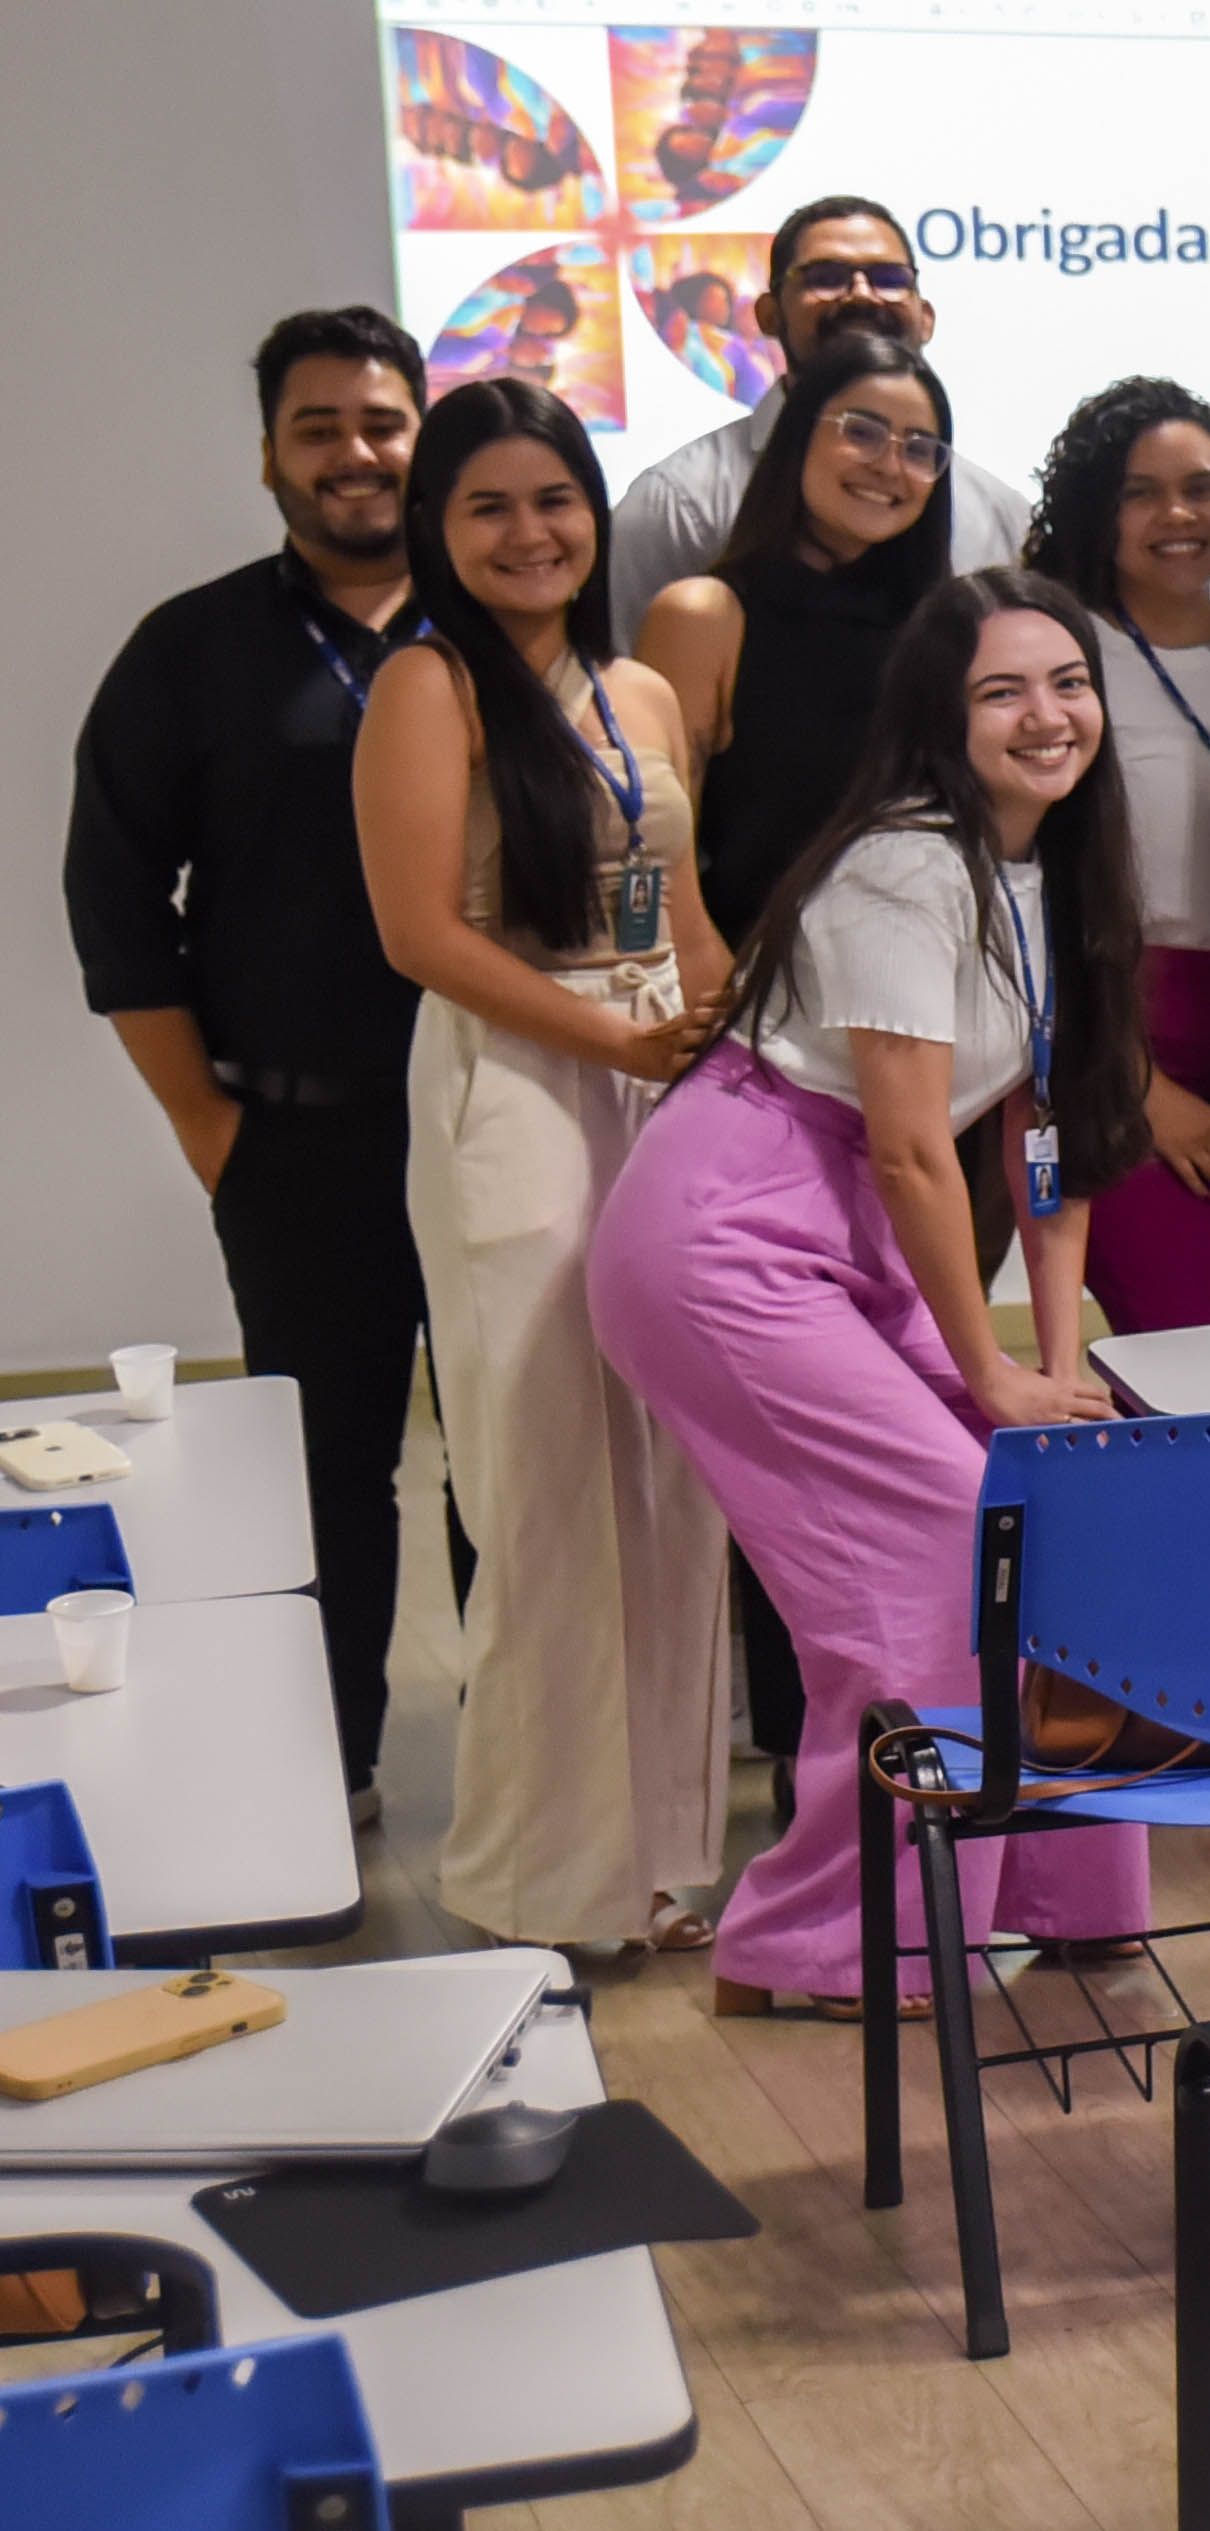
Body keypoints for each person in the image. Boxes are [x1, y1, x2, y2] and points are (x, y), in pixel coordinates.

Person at [591, 571, 1153, 2016]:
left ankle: (1046, 1887)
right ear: (940, 715)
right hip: (734, 1228)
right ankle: (824, 1944)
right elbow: (910, 1144)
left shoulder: (1054, 867)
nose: (1047, 715)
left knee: (1039, 1508)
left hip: (846, 1229)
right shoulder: (909, 861)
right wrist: (989, 1370)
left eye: (1067, 682)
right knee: (937, 1551)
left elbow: (1039, 1130)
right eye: (1002, 690)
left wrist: (1053, 1336)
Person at [348, 379, 730, 1952]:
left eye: (554, 497)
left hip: (656, 1080)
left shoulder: (639, 689)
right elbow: (419, 934)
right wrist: (607, 1036)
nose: (530, 532)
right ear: (440, 529)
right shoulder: (424, 686)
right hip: (515, 1090)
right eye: (488, 505)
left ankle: (655, 1860)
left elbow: (687, 907)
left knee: (671, 1483)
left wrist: (721, 1036)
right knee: (549, 1486)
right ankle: (534, 1878)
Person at [63, 308, 440, 1812]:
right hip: (301, 1143)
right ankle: (327, 1768)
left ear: (424, 430)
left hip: (507, 1127)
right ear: (271, 454)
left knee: (523, 1469)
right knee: (328, 1467)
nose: (355, 452)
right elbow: (112, 900)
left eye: (381, 420)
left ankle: (558, 1789)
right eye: (318, 426)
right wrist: (203, 1122)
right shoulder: (194, 647)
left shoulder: (500, 627)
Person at [1020, 377, 1210, 1336]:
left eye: (1202, 487)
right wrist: (1136, 1082)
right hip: (1123, 1035)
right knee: (1187, 1349)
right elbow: (1028, 896)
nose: (1177, 515)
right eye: (1140, 491)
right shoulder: (1060, 665)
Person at [634, 327, 961, 951]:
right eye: (861, 431)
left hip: (918, 989)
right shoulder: (704, 618)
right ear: (798, 434)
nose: (890, 465)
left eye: (921, 449)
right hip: (746, 988)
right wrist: (712, 1006)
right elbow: (656, 855)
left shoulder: (947, 630)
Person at [606, 198, 1027, 635]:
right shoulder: (676, 504)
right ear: (769, 316)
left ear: (926, 318)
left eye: (888, 279)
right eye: (826, 278)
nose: (862, 294)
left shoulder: (1000, 515)